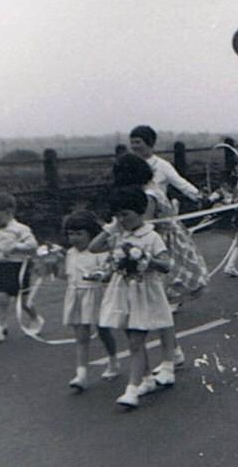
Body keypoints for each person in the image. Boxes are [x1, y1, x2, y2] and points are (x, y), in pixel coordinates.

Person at [91, 153, 206, 386]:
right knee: (157, 304)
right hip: (151, 246)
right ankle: (173, 353)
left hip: (158, 248)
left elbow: (146, 225)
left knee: (159, 305)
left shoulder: (149, 195)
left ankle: (170, 358)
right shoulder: (147, 191)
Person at [96, 186, 173, 407]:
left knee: (136, 341)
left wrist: (148, 260)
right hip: (123, 292)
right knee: (131, 337)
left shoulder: (152, 236)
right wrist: (111, 228)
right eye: (118, 215)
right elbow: (94, 247)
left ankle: (131, 390)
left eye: (125, 214)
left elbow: (166, 264)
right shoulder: (119, 234)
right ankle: (146, 378)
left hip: (144, 292)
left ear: (139, 211)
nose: (122, 219)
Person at [59, 211, 120, 391]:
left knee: (104, 331)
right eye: (71, 234)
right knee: (81, 336)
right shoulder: (70, 253)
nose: (74, 238)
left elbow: (108, 274)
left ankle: (113, 360)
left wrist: (98, 276)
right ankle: (81, 374)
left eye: (79, 234)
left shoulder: (99, 252)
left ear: (91, 234)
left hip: (96, 295)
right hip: (76, 296)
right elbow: (66, 276)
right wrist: (53, 265)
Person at [0, 192, 42, 343]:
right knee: (0, 298)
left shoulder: (20, 229)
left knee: (24, 302)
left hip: (19, 268)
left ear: (8, 212)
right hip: (2, 267)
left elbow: (32, 245)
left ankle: (36, 318)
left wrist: (15, 247)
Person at [129, 125, 203, 203]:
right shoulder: (128, 164)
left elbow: (182, 185)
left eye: (138, 142)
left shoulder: (162, 165)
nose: (134, 146)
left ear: (149, 143)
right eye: (132, 143)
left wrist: (200, 197)